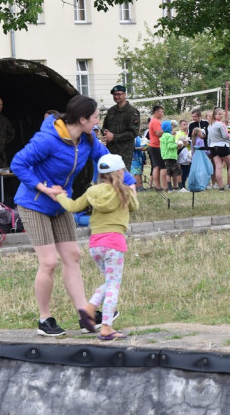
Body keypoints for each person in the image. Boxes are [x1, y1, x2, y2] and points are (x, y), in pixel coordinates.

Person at [11, 95, 118, 337]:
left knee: (72, 256)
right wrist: (44, 188)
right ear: (82, 119)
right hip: (34, 203)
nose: (97, 122)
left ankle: (85, 315)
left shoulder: (87, 139)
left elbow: (107, 160)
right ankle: (44, 319)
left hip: (60, 204)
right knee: (48, 262)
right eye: (95, 118)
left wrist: (128, 184)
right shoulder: (47, 140)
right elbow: (18, 164)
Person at [56, 153, 137, 340]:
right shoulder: (124, 191)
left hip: (95, 245)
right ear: (120, 172)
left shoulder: (93, 191)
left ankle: (90, 308)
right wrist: (131, 190)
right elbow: (135, 207)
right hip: (114, 244)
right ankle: (106, 326)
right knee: (113, 286)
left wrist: (60, 196)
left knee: (109, 281)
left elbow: (73, 206)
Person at [101, 84, 141, 167]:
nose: (116, 97)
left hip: (124, 153)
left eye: (119, 94)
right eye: (114, 94)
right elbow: (104, 127)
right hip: (110, 151)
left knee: (123, 178)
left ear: (125, 95)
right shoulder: (111, 110)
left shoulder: (132, 112)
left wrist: (114, 137)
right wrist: (105, 133)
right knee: (110, 178)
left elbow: (133, 132)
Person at [207, 107, 230, 190]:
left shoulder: (210, 125)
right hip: (222, 146)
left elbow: (209, 138)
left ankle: (220, 187)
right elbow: (225, 136)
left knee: (218, 167)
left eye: (222, 114)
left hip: (213, 147)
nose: (221, 116)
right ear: (215, 115)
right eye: (219, 114)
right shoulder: (221, 124)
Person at [159, 120, 182, 191]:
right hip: (171, 156)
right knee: (178, 171)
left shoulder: (163, 136)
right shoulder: (170, 136)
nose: (172, 127)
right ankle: (181, 187)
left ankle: (170, 188)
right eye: (171, 126)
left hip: (165, 156)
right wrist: (177, 145)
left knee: (168, 172)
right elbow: (170, 146)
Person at [147, 105, 165, 191]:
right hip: (155, 146)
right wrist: (166, 129)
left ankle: (158, 186)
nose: (162, 113)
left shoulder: (153, 121)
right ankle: (158, 186)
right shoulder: (155, 121)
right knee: (157, 166)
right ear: (156, 112)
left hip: (154, 146)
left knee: (156, 166)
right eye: (161, 112)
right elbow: (158, 133)